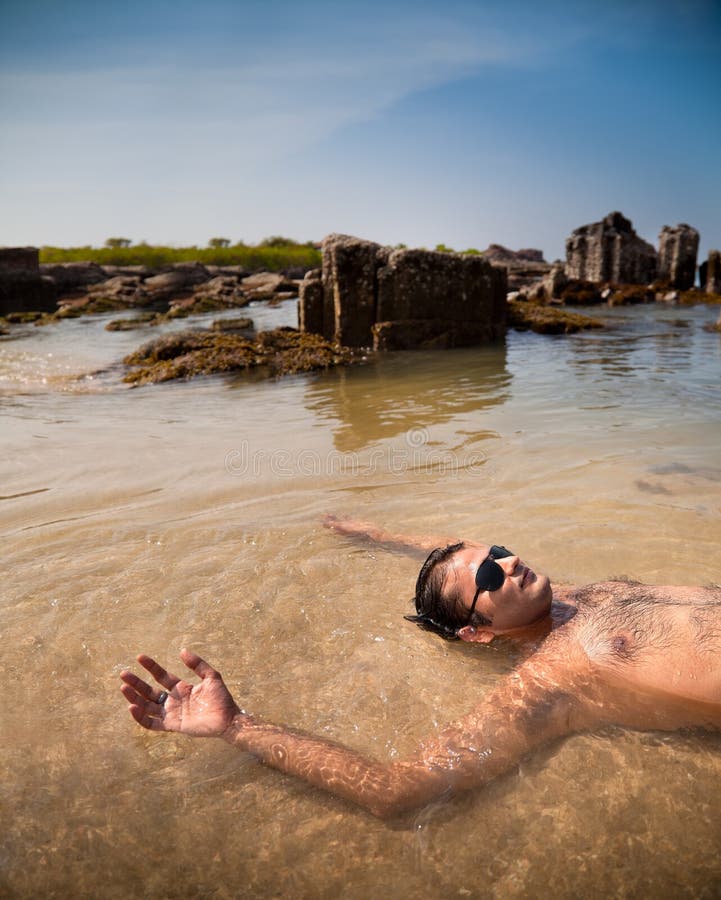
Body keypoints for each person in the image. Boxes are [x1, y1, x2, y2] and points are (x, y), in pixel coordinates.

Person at [120, 515, 721, 819]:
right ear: (477, 634)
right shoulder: (552, 678)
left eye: (502, 552)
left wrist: (378, 535)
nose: (509, 564)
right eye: (490, 575)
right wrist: (237, 727)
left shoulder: (587, 594)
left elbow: (463, 551)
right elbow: (397, 789)